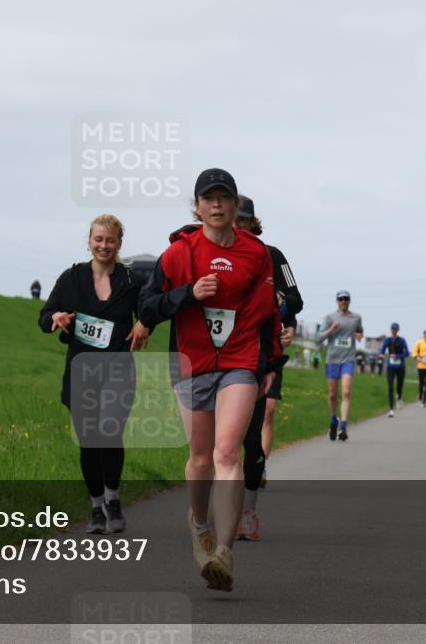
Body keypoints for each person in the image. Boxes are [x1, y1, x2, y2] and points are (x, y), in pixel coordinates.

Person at [139, 169, 284, 591]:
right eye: (209, 198)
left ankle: (224, 551)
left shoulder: (257, 254)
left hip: (239, 360)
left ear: (235, 205)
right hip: (193, 363)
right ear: (197, 206)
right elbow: (148, 308)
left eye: (224, 197)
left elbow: (267, 314)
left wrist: (269, 361)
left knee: (227, 454)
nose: (217, 205)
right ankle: (199, 522)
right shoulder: (179, 254)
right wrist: (189, 294)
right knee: (201, 459)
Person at [39, 215, 150, 535]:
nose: (104, 246)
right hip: (82, 371)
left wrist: (144, 325)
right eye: (98, 239)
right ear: (88, 241)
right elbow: (44, 316)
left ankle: (113, 499)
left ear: (119, 244)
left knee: (110, 433)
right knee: (89, 441)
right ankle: (96, 507)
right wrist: (55, 318)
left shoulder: (131, 282)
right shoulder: (71, 278)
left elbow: (148, 311)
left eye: (110, 240)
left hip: (118, 369)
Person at [230, 196, 303, 541]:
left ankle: (248, 512)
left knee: (255, 428)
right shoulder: (211, 254)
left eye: (241, 220)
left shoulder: (271, 255)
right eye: (231, 219)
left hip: (264, 352)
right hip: (221, 357)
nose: (235, 226)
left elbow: (295, 300)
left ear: (251, 222)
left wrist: (281, 311)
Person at [316, 291, 363, 441]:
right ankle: (333, 420)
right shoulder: (330, 318)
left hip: (348, 360)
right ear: (336, 301)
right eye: (341, 299)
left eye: (346, 299)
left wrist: (359, 336)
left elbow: (360, 331)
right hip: (332, 360)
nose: (343, 301)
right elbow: (318, 338)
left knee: (347, 392)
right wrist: (331, 329)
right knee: (332, 395)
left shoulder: (356, 318)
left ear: (350, 301)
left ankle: (343, 425)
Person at [380, 322, 409, 417]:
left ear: (398, 330)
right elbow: (382, 351)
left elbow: (407, 353)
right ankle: (391, 409)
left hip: (400, 366)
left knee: (399, 385)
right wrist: (381, 355)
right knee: (390, 387)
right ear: (391, 330)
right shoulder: (387, 340)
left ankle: (399, 397)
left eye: (395, 329)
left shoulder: (402, 340)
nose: (394, 331)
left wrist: (397, 356)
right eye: (393, 329)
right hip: (391, 367)